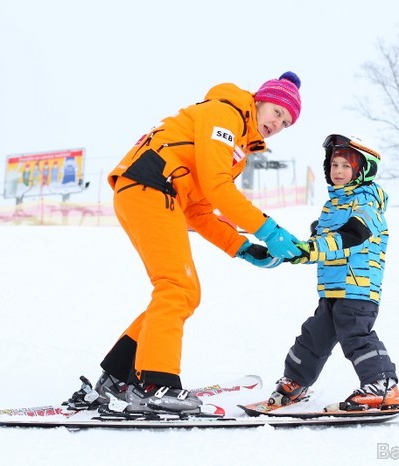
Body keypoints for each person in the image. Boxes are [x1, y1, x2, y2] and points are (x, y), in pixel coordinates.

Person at [68, 72, 303, 415]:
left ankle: (119, 375)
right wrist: (269, 230)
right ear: (259, 100)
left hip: (151, 191)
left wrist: (242, 247)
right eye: (277, 112)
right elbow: (218, 187)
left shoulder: (237, 147)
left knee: (182, 290)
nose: (278, 123)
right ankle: (154, 384)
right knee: (177, 288)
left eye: (286, 122)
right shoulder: (227, 112)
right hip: (151, 185)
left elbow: (199, 210)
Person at [268, 133, 399, 409]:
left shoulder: (367, 206)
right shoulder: (331, 209)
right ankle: (295, 382)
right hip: (332, 288)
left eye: (345, 166)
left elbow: (350, 236)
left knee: (355, 335)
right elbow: (319, 248)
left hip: (358, 288)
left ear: (362, 171)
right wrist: (290, 253)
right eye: (334, 165)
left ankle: (383, 385)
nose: (338, 171)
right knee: (313, 336)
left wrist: (313, 247)